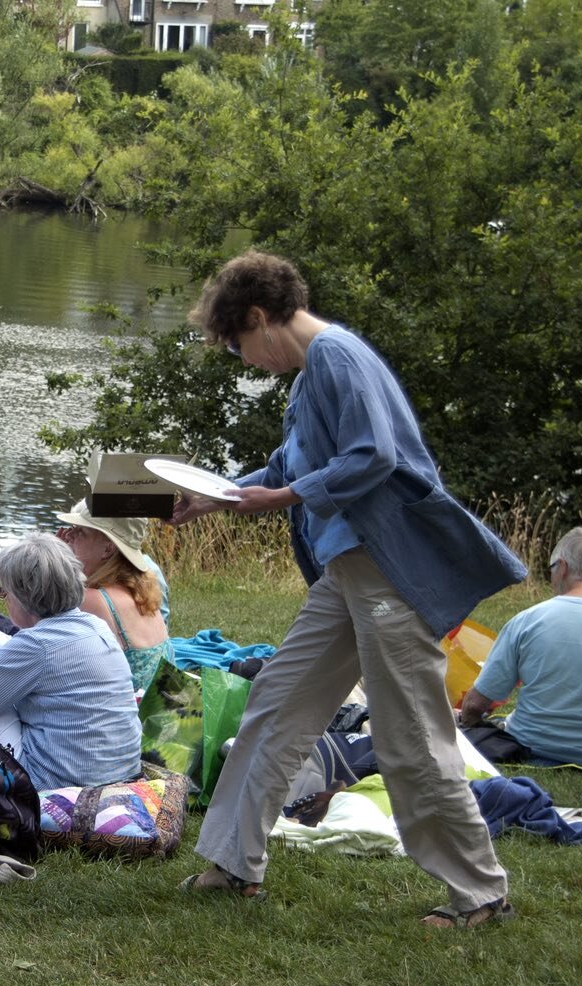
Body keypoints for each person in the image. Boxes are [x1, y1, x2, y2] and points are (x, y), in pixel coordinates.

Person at [168, 251, 524, 928]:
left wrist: (281, 497)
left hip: (388, 570)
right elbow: (286, 463)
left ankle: (481, 893)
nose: (245, 361)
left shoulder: (337, 357)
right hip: (347, 573)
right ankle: (233, 860)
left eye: (240, 344)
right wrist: (217, 496)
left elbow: (372, 456)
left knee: (410, 734)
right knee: (277, 700)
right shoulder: (308, 380)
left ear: (257, 317)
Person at [0, 532, 142, 791]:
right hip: (119, 771)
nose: (4, 600)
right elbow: (30, 652)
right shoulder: (94, 626)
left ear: (23, 595)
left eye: (4, 592)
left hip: (53, 783)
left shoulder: (36, 646)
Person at [459, 528, 582, 772]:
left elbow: (475, 705)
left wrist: (471, 724)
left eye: (551, 569)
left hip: (533, 747)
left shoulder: (525, 621)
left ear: (562, 567)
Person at [55, 499, 172, 694]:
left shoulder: (92, 600)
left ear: (108, 549)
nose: (69, 536)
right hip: (156, 712)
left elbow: (39, 645)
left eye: (81, 532)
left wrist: (55, 564)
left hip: (129, 719)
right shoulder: (143, 589)